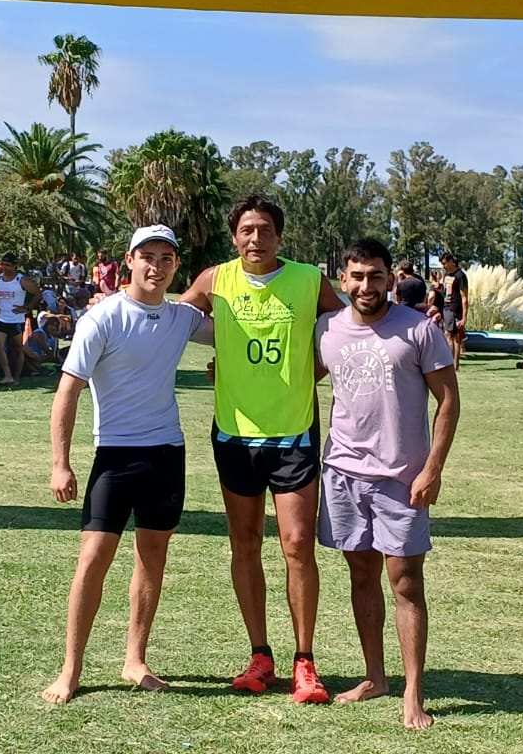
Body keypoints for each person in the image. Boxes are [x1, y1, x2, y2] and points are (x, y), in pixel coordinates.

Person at [179, 193, 344, 703]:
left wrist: (312, 371)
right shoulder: (215, 280)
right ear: (234, 237)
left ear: (279, 235)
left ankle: (305, 661)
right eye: (247, 230)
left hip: (293, 434)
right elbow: (167, 319)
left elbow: (346, 333)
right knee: (245, 543)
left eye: (265, 229)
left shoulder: (308, 280)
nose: (256, 239)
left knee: (297, 544)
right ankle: (259, 655)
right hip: (234, 435)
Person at [43, 225, 210, 705]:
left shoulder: (182, 318)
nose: (156, 266)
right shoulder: (102, 318)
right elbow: (68, 391)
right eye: (148, 257)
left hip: (167, 453)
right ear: (129, 261)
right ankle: (71, 669)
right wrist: (60, 463)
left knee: (152, 557)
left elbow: (237, 335)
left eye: (166, 258)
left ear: (175, 266)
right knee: (93, 560)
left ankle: (135, 660)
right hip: (115, 456)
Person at [315, 238, 460, 730]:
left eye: (375, 276)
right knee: (361, 576)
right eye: (356, 276)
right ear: (342, 279)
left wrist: (432, 468)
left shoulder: (419, 331)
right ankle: (374, 677)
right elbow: (294, 379)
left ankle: (413, 692)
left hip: (402, 479)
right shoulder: (327, 330)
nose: (366, 286)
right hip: (343, 474)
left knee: (405, 583)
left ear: (391, 279)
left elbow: (448, 401)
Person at [0, 252, 39, 386]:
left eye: (8, 265)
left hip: (16, 320)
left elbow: (37, 294)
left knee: (18, 349)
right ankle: (7, 375)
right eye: (3, 265)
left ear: (15, 266)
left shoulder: (21, 280)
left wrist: (27, 308)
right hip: (1, 318)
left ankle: (16, 376)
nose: (5, 268)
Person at [439, 252, 469, 369]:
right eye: (442, 264)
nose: (444, 266)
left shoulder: (460, 276)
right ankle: (450, 364)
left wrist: (464, 317)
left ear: (451, 261)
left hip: (455, 308)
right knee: (448, 335)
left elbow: (464, 297)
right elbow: (445, 291)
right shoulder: (446, 275)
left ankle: (454, 365)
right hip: (446, 307)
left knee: (454, 337)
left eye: (445, 263)